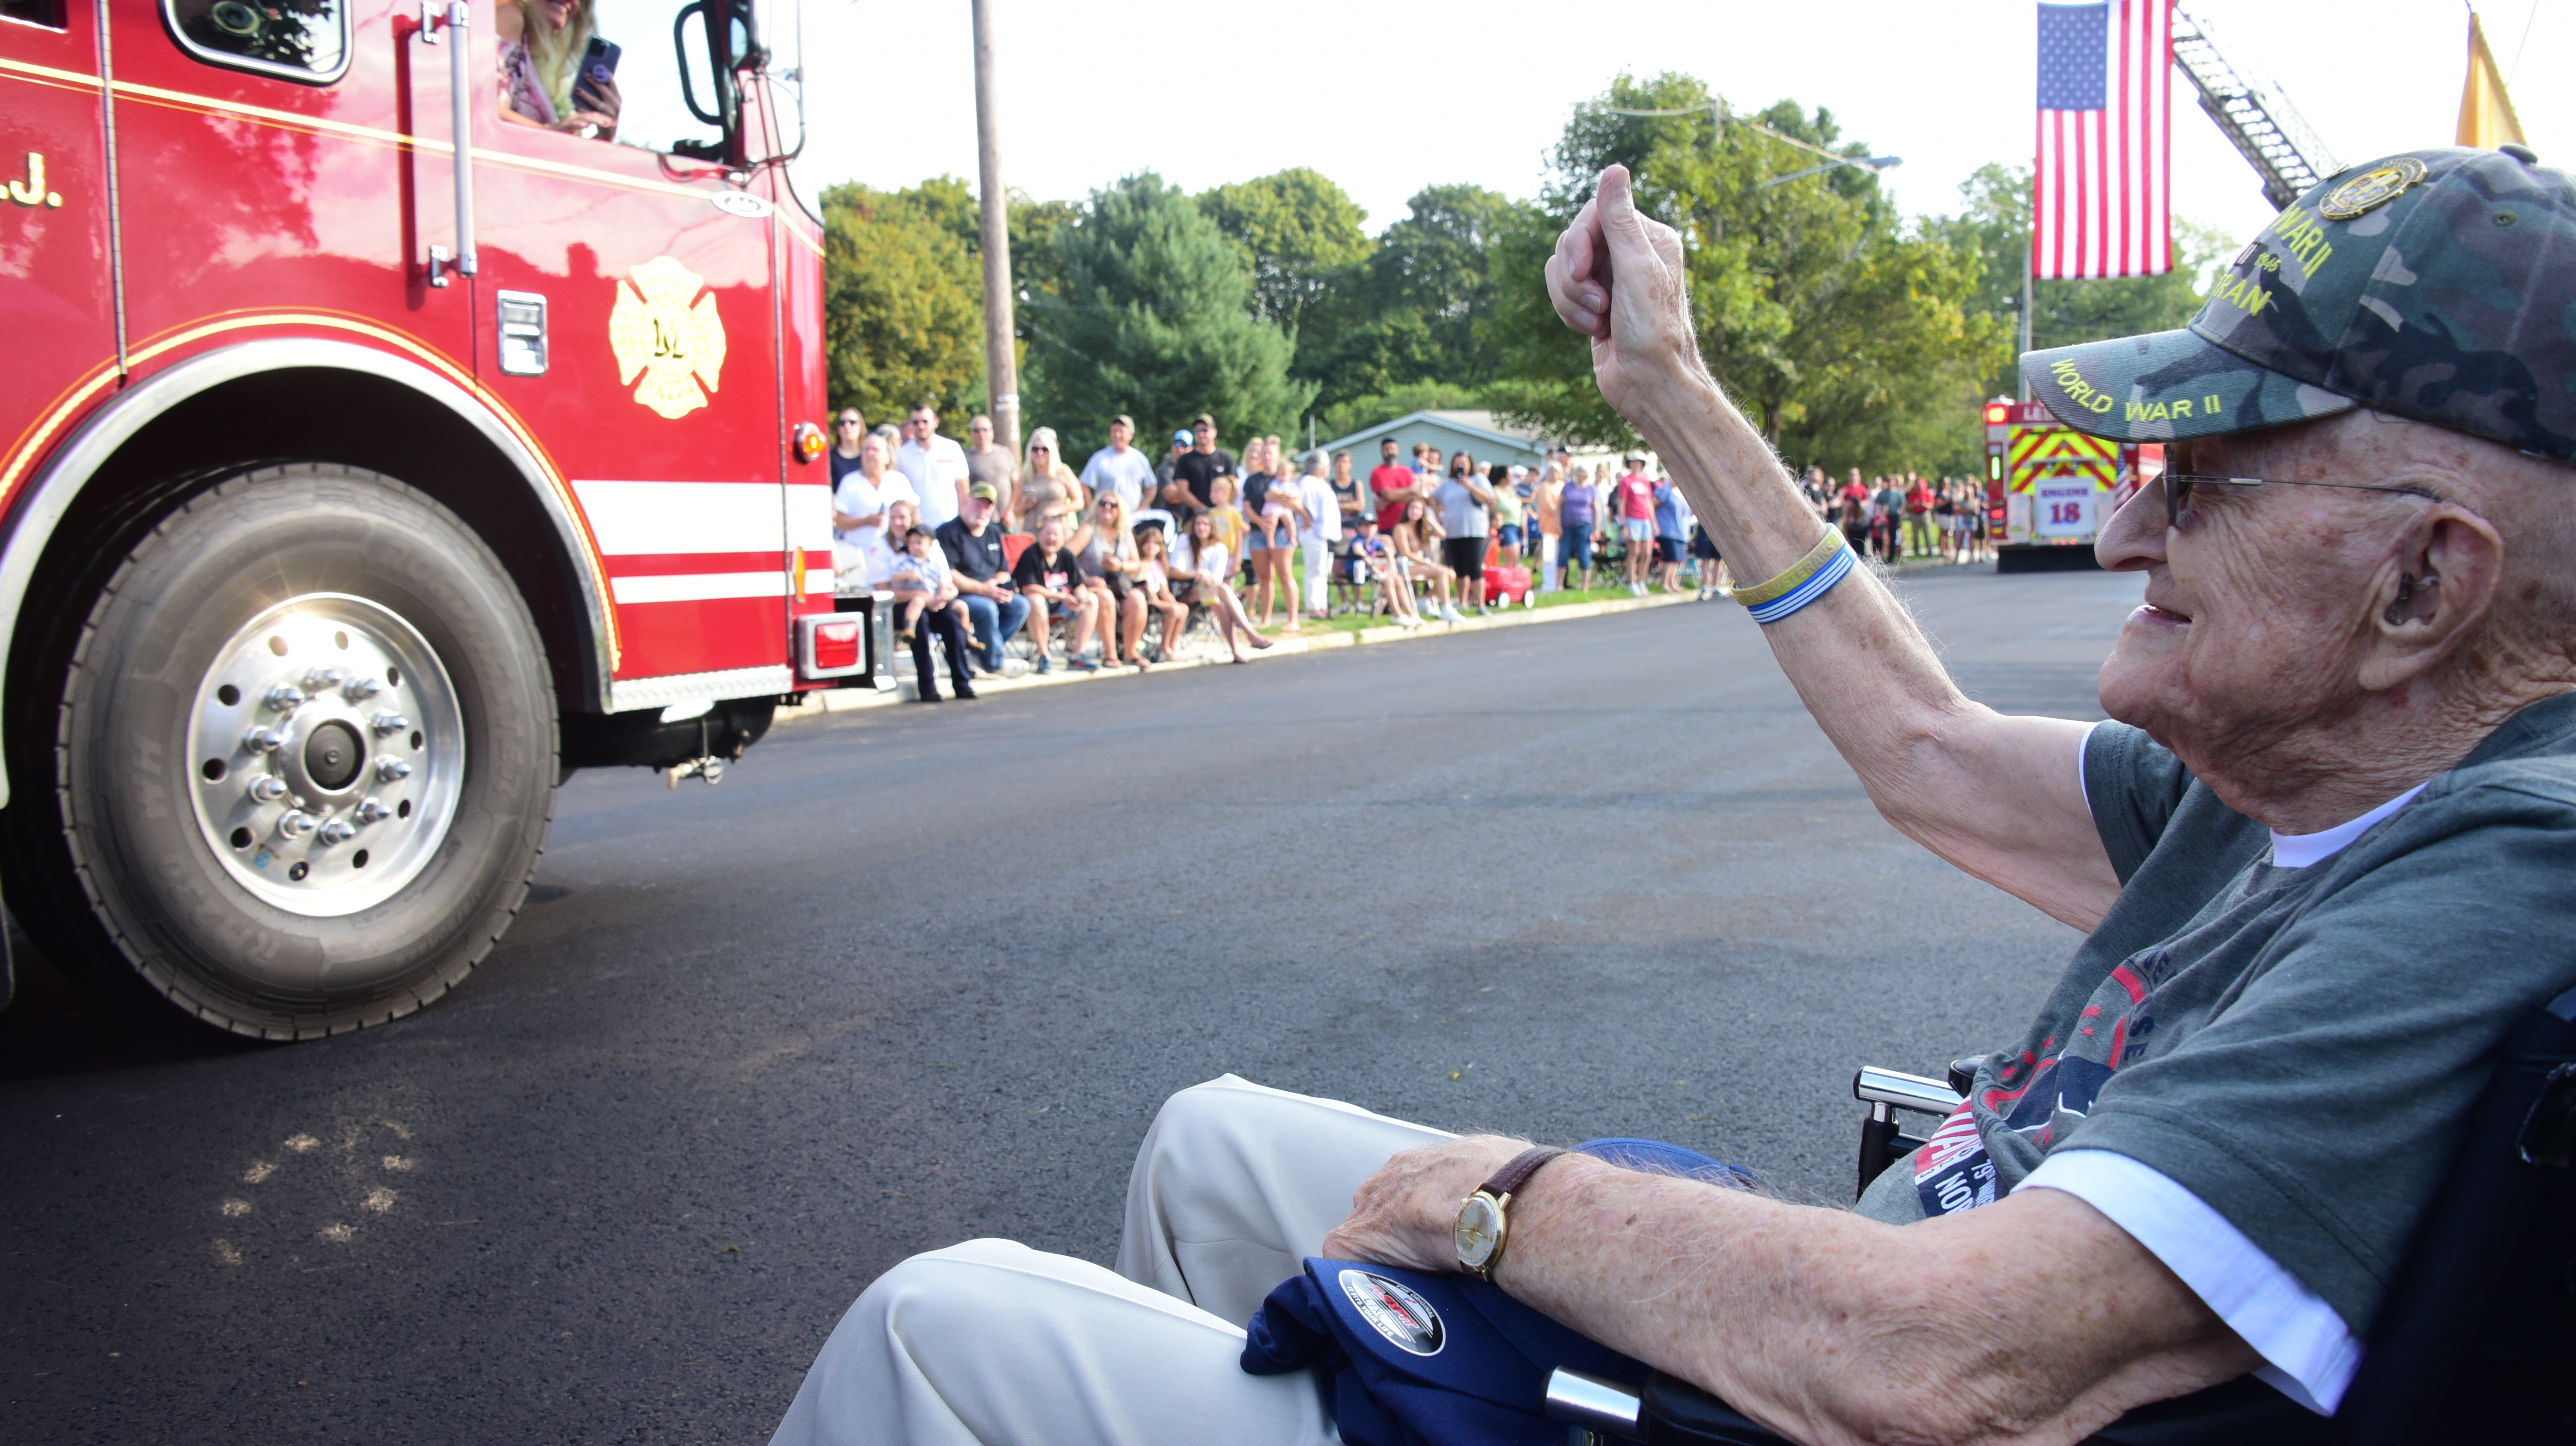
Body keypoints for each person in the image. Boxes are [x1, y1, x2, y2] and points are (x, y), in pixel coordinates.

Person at [771, 148, 2576, 1444]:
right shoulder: (2302, 770)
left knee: (932, 1336)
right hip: (1849, 1323)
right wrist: (1671, 390)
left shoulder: (2497, 871)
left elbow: (1958, 1360)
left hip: (1849, 1381)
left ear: (2420, 584)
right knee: (1207, 1130)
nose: (2115, 522)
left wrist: (1508, 1201)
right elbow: (1923, 746)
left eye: (2196, 484)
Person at [931, 483, 1029, 677]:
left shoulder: (993, 532)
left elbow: (1004, 572)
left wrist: (995, 587)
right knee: (987, 609)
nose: (982, 510)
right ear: (966, 502)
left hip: (990, 592)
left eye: (987, 506)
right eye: (978, 504)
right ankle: (994, 663)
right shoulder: (948, 532)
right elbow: (949, 574)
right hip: (959, 595)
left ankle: (979, 653)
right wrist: (983, 590)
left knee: (1021, 606)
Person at [494, 0, 619, 139]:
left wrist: (605, 133)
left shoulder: (530, 53)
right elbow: (475, 106)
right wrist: (548, 131)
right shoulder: (510, 14)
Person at [886, 526, 974, 703]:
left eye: (920, 542)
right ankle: (928, 687)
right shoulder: (903, 561)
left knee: (952, 622)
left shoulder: (936, 557)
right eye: (912, 542)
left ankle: (962, 683)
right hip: (910, 604)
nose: (915, 546)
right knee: (921, 624)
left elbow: (949, 585)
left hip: (936, 604)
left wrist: (946, 596)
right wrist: (918, 593)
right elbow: (889, 587)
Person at [1169, 510, 1270, 664]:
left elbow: (1215, 579)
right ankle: (1250, 633)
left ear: (1212, 527)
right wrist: (1197, 574)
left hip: (1208, 590)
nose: (1201, 528)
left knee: (1222, 605)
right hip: (1184, 590)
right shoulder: (1185, 541)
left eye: (1205, 524)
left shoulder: (1220, 549)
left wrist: (1206, 578)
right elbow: (1174, 572)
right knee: (1223, 589)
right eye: (1198, 524)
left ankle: (1236, 651)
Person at [1009, 517, 1099, 674]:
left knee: (1091, 600)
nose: (1051, 538)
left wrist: (1080, 598)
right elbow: (1028, 588)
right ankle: (1044, 655)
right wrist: (1061, 597)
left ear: (1063, 538)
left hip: (1064, 605)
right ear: (1039, 535)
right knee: (1036, 601)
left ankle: (1078, 654)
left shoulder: (1066, 555)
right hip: (1040, 607)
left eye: (1056, 534)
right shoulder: (1031, 555)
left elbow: (1078, 584)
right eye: (1048, 533)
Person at [828, 431, 916, 591]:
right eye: (866, 449)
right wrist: (866, 521)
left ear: (888, 456)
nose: (870, 454)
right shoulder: (850, 482)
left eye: (875, 450)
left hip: (896, 559)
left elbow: (915, 516)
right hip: (860, 558)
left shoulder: (898, 481)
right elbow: (839, 522)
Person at [1072, 496, 1149, 669]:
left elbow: (1136, 564)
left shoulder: (1125, 533)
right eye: (1103, 504)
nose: (1107, 507)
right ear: (1096, 507)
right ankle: (1110, 653)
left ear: (1119, 510)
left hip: (1118, 584)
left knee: (1138, 598)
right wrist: (1085, 578)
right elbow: (1066, 557)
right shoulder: (1088, 530)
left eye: (1113, 505)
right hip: (1092, 585)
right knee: (1105, 597)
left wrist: (1119, 565)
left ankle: (1131, 652)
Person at [896, 404, 971, 532]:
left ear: (935, 423)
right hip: (916, 529)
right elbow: (899, 495)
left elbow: (964, 491)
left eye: (925, 421)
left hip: (950, 526)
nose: (921, 426)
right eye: (916, 422)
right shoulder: (901, 455)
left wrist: (964, 523)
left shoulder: (952, 449)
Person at [1389, 496, 1457, 623]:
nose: (1415, 511)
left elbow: (1442, 534)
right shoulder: (1401, 528)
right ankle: (1446, 608)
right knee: (1442, 572)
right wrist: (1429, 563)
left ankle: (1426, 600)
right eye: (1412, 508)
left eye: (1419, 509)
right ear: (1407, 510)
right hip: (1405, 566)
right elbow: (1406, 553)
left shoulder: (1422, 529)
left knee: (1451, 574)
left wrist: (1429, 519)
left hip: (1421, 565)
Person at [1131, 527, 1192, 663]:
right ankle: (1164, 647)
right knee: (1173, 610)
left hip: (1157, 598)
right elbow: (1145, 588)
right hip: (1146, 600)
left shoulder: (1159, 565)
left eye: (1156, 543)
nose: (1151, 546)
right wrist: (1170, 606)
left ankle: (1172, 644)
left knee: (1183, 608)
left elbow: (1165, 592)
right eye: (1148, 542)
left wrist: (1174, 603)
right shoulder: (1140, 564)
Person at [1080, 415, 1156, 522]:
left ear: (1131, 435)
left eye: (1121, 431)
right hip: (1108, 520)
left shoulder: (1139, 459)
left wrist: (1142, 509)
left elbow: (1152, 486)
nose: (1117, 435)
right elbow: (1085, 485)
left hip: (1134, 520)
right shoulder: (1100, 459)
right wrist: (1092, 511)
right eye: (1114, 431)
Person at [1013, 426, 1085, 538]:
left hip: (1058, 533)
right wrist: (1024, 507)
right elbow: (1014, 512)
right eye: (1035, 449)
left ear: (1052, 451)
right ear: (1030, 452)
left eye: (1045, 449)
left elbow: (1079, 503)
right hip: (1032, 534)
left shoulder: (1063, 472)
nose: (1040, 453)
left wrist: (1057, 510)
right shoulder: (1025, 478)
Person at [1294, 450, 1340, 621]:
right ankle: (1314, 608)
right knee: (1316, 570)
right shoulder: (1306, 482)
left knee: (1324, 572)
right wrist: (1307, 517)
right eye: (1326, 465)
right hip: (1313, 533)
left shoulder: (1321, 483)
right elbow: (1296, 501)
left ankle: (1322, 606)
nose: (1328, 468)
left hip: (1324, 534)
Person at [1165, 414, 1236, 519]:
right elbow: (1183, 491)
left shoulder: (1226, 458)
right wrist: (1205, 511)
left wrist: (1221, 509)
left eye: (1205, 430)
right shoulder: (1185, 460)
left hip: (1223, 518)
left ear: (1215, 432)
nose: (1201, 434)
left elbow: (1235, 487)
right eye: (1197, 431)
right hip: (1194, 518)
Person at [963, 415, 1019, 527]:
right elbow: (964, 493)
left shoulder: (1005, 453)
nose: (981, 434)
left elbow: (1017, 484)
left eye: (985, 430)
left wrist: (1011, 511)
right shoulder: (965, 458)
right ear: (971, 434)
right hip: (981, 520)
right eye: (977, 430)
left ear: (992, 432)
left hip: (1008, 520)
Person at [1369, 436, 1431, 531]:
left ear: (1398, 451)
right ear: (1382, 452)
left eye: (1393, 449)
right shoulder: (1377, 473)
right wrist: (1410, 490)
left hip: (1409, 525)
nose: (1390, 452)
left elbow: (1416, 495)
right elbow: (1389, 495)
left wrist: (1390, 500)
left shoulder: (1407, 471)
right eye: (1387, 449)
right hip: (1388, 527)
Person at [1614, 455, 1656, 595]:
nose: (1636, 465)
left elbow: (1649, 502)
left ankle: (1642, 582)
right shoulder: (1626, 481)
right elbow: (1622, 503)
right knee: (1634, 553)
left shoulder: (1645, 481)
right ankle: (1632, 583)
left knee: (1647, 553)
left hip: (1646, 520)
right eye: (1633, 462)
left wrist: (1654, 522)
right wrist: (1625, 524)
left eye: (1638, 463)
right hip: (1633, 519)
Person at [1558, 461, 1596, 592]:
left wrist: (1597, 529)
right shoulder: (1568, 487)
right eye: (1579, 472)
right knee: (1563, 553)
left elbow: (1596, 509)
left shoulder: (1591, 489)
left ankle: (1585, 586)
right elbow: (1559, 506)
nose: (1581, 475)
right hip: (1567, 525)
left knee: (1584, 553)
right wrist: (1558, 524)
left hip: (1584, 525)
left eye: (1584, 472)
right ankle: (1559, 585)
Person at [1652, 471, 1688, 592]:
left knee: (1677, 559)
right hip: (1667, 530)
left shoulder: (1681, 494)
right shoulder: (1665, 491)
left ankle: (1673, 583)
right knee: (1670, 557)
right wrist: (1655, 524)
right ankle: (1665, 584)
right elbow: (1652, 504)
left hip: (1679, 532)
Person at [1492, 464, 1528, 569]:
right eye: (1511, 475)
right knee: (1512, 552)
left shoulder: (1511, 490)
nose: (1513, 477)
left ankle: (1512, 580)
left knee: (1516, 555)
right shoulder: (1496, 491)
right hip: (1505, 526)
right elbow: (1491, 509)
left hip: (1516, 526)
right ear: (1503, 478)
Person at [824, 408, 868, 488]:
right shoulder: (829, 457)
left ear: (861, 426)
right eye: (842, 423)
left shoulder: (868, 455)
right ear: (838, 428)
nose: (847, 426)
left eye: (852, 422)